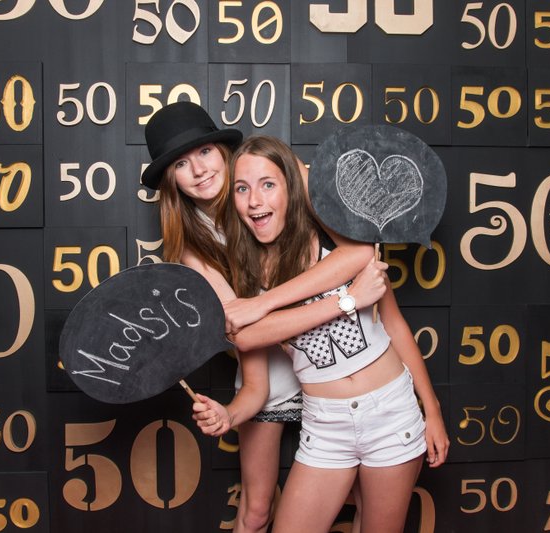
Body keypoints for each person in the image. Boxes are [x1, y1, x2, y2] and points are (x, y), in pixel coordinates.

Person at [141, 102, 380, 533]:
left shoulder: (275, 175)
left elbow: (360, 254)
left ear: (224, 151)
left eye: (205, 152)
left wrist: (269, 304)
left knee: (365, 494)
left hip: (336, 358)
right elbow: (245, 335)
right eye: (181, 164)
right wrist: (235, 408)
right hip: (269, 370)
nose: (199, 170)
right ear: (170, 181)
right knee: (255, 511)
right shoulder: (193, 249)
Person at [197, 135, 449, 533]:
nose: (254, 201)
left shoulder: (337, 239)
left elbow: (395, 326)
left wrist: (431, 411)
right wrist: (228, 414)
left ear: (291, 188)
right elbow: (250, 357)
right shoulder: (244, 277)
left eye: (268, 184)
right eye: (242, 189)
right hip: (325, 425)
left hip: (391, 413)